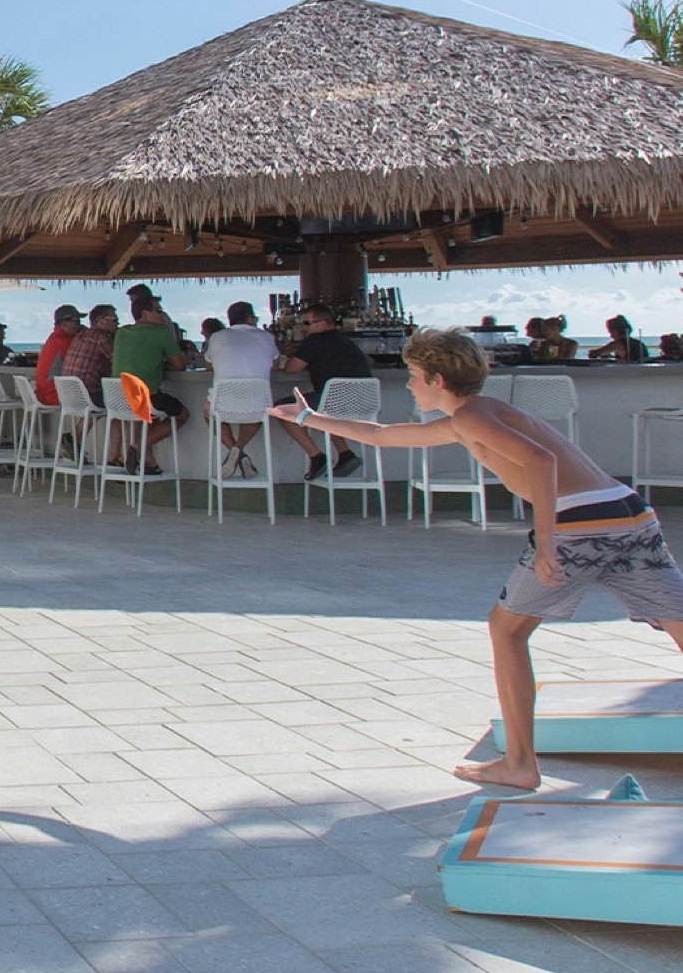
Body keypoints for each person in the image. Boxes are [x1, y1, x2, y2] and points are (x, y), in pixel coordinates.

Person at [271, 330, 683, 791]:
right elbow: (382, 436)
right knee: (677, 621)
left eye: (413, 376)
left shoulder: (471, 416)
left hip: (579, 523)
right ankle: (519, 761)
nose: (408, 384)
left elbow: (541, 462)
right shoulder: (475, 415)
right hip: (629, 513)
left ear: (438, 379)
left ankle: (520, 764)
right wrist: (308, 417)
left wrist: (546, 543)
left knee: (507, 630)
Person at [273, 302, 374, 478]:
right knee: (327, 410)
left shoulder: (315, 340)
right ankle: (345, 454)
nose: (303, 328)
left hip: (334, 402)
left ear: (322, 323)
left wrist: (289, 356)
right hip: (364, 402)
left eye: (307, 323)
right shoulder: (344, 340)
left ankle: (317, 456)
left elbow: (291, 368)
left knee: (282, 409)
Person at [202, 301, 281, 470]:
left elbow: (208, 365)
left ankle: (234, 450)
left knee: (208, 411)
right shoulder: (267, 337)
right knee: (262, 410)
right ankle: (238, 449)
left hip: (223, 403)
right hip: (257, 403)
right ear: (250, 318)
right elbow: (275, 365)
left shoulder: (217, 337)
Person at [109, 296, 187, 464]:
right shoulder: (161, 333)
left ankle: (149, 462)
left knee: (154, 414)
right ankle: (139, 446)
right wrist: (163, 364)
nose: (162, 315)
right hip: (144, 400)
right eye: (158, 311)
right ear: (145, 314)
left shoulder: (121, 333)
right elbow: (180, 364)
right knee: (182, 415)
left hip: (119, 399)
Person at [32, 305, 82, 408]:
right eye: (77, 322)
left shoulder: (53, 338)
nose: (79, 326)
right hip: (54, 395)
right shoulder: (65, 342)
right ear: (64, 324)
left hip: (42, 394)